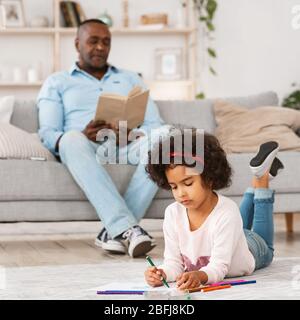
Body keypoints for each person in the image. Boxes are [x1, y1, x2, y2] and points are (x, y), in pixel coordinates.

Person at [37, 19, 170, 258]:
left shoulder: (131, 79)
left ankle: (115, 232)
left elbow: (154, 124)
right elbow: (48, 133)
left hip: (125, 145)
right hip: (84, 147)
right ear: (78, 44)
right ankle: (126, 228)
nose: (100, 47)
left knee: (165, 136)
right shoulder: (57, 82)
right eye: (93, 41)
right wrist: (80, 133)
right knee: (70, 139)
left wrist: (132, 134)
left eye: (106, 42)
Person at [144, 129, 284, 289]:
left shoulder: (227, 212)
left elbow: (219, 268)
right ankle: (258, 178)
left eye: (188, 183)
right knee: (235, 222)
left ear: (209, 178)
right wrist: (162, 273)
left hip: (251, 248)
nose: (180, 193)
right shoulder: (172, 213)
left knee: (267, 246)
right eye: (174, 187)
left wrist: (200, 276)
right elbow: (173, 263)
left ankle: (261, 179)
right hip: (230, 232)